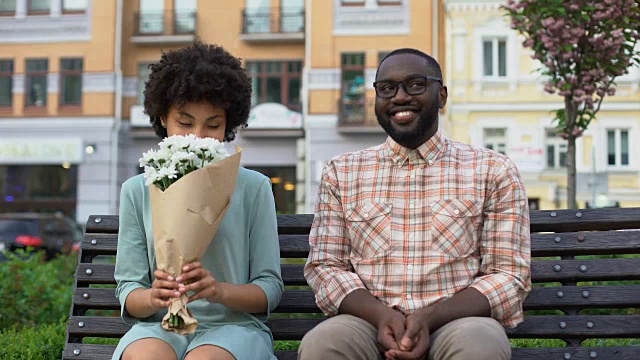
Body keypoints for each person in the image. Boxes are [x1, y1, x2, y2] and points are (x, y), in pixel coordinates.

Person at [299, 48, 531, 360]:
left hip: (458, 322)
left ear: (442, 96)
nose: (399, 97)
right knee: (323, 344)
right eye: (387, 89)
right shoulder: (342, 171)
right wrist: (382, 316)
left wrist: (429, 318)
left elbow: (508, 274)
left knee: (481, 346)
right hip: (368, 322)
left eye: (416, 85)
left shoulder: (492, 170)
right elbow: (326, 266)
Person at [112, 41, 284, 360]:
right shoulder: (138, 190)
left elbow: (269, 289)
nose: (199, 137)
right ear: (163, 118)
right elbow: (129, 290)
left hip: (235, 329)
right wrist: (153, 297)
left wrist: (220, 291)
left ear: (229, 124)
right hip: (160, 327)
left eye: (213, 125)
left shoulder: (254, 187)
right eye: (186, 123)